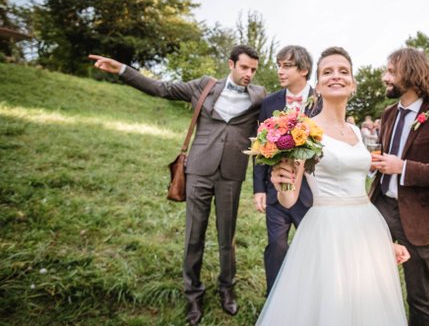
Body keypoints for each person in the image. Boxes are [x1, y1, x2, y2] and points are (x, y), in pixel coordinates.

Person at [88, 45, 266, 325]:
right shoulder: (204, 86)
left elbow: (267, 133)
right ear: (231, 64)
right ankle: (193, 293)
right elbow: (162, 88)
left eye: (253, 69)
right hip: (199, 170)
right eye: (244, 67)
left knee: (227, 236)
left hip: (232, 173)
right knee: (194, 235)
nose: (249, 74)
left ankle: (226, 288)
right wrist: (122, 70)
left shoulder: (259, 96)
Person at [256, 47, 410, 326]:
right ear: (318, 83)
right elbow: (289, 200)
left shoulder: (354, 131)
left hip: (366, 228)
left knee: (365, 307)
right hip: (326, 231)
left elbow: (359, 191)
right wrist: (281, 184)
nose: (335, 76)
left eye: (343, 71)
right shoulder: (304, 130)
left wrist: (382, 243)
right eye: (327, 72)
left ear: (352, 83)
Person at [369, 47, 429, 326]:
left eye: (390, 71)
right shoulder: (388, 114)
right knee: (370, 279)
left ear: (409, 73)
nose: (384, 77)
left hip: (420, 218)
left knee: (419, 295)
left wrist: (405, 168)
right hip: (381, 209)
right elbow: (383, 157)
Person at [252, 45, 321, 296]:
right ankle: (274, 300)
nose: (280, 71)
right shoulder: (269, 102)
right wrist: (259, 188)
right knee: (276, 246)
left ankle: (308, 298)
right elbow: (259, 145)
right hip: (275, 191)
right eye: (279, 65)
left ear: (303, 70)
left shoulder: (322, 101)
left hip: (312, 195)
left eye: (286, 65)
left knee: (310, 249)